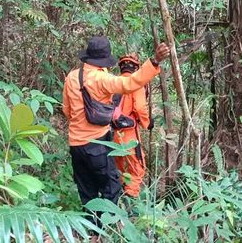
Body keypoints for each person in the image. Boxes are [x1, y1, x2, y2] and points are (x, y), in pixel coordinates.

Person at [62, 36, 170, 208]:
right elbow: (130, 83)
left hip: (76, 144)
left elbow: (67, 110)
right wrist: (155, 60)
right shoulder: (101, 79)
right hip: (97, 143)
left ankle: (92, 230)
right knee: (111, 187)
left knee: (86, 189)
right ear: (104, 60)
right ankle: (109, 227)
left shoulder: (72, 77)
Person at [113, 53, 153, 198]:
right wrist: (147, 123)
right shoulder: (136, 83)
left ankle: (116, 199)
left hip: (110, 133)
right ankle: (130, 201)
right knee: (136, 168)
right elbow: (140, 108)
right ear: (136, 68)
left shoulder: (112, 82)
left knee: (116, 167)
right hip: (129, 134)